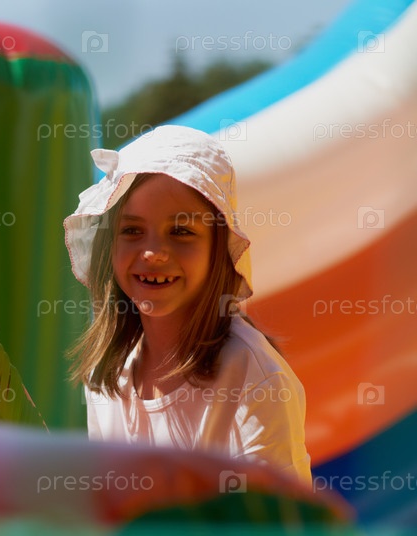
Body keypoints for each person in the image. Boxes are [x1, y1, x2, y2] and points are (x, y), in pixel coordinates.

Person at [63, 125, 311, 485]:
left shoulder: (253, 378)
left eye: (181, 231)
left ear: (217, 249)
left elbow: (274, 512)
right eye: (132, 230)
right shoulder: (108, 376)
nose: (153, 253)